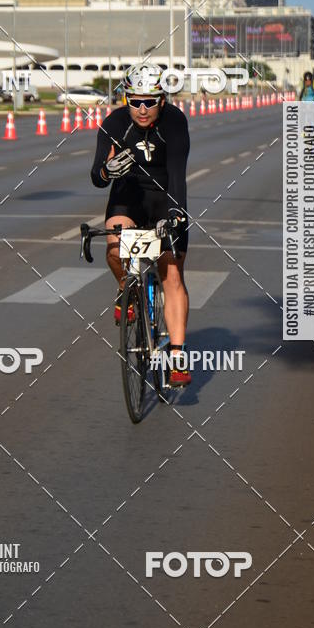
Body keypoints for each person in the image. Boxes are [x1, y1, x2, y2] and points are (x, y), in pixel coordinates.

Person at [90, 63, 192, 387]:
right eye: (135, 101)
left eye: (150, 101)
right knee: (115, 246)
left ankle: (176, 356)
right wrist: (106, 171)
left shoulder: (174, 122)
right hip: (129, 196)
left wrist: (176, 216)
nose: (142, 109)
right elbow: (96, 177)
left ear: (162, 100)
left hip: (165, 197)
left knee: (171, 272)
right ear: (126, 99)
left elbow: (177, 175)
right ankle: (126, 288)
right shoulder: (114, 124)